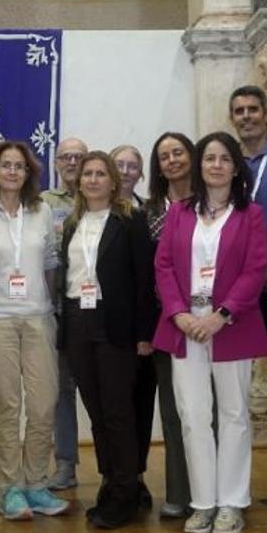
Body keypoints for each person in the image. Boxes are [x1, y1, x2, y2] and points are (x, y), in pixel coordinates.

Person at [153, 132, 267, 533]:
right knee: (193, 416)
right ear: (199, 166)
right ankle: (203, 503)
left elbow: (255, 270)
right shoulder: (179, 212)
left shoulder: (250, 214)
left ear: (236, 168)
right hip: (185, 327)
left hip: (230, 326)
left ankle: (231, 503)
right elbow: (164, 267)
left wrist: (222, 315)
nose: (216, 165)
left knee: (234, 414)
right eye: (209, 158)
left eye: (224, 159)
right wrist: (179, 314)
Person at [0, 141, 68, 521]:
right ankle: (11, 488)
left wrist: (53, 308)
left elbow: (50, 264)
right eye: (6, 165)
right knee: (7, 406)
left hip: (39, 317)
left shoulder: (42, 212)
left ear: (29, 173)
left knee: (44, 403)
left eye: (19, 166)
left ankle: (37, 484)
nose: (12, 171)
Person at [58, 151, 155, 529]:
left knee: (118, 412)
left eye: (101, 174)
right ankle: (110, 482)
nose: (93, 180)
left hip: (115, 324)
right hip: (77, 322)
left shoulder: (130, 221)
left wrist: (144, 334)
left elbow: (144, 280)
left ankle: (126, 492)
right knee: (96, 412)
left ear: (114, 182)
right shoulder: (73, 223)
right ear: (79, 181)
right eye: (88, 174)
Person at [141, 132, 197, 518]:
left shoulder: (211, 206)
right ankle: (179, 492)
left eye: (179, 152)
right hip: (166, 323)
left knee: (213, 411)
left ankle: (217, 492)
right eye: (165, 156)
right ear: (158, 167)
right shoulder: (148, 213)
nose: (173, 160)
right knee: (174, 411)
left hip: (211, 321)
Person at [111, 143, 156, 508]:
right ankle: (113, 476)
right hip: (104, 326)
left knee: (140, 403)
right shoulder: (90, 212)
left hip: (143, 326)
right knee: (112, 407)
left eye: (132, 166)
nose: (125, 171)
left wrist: (145, 331)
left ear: (141, 174)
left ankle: (137, 475)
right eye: (119, 164)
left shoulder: (150, 213)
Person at [42, 136, 88, 491]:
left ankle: (116, 469)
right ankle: (65, 464)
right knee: (62, 390)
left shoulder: (99, 196)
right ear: (56, 163)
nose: (71, 162)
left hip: (94, 308)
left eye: (78, 157)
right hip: (56, 308)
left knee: (103, 390)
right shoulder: (43, 202)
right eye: (65, 157)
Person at [228, 86, 267, 226]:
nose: (246, 116)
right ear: (232, 119)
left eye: (253, 109)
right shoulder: (226, 160)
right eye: (239, 111)